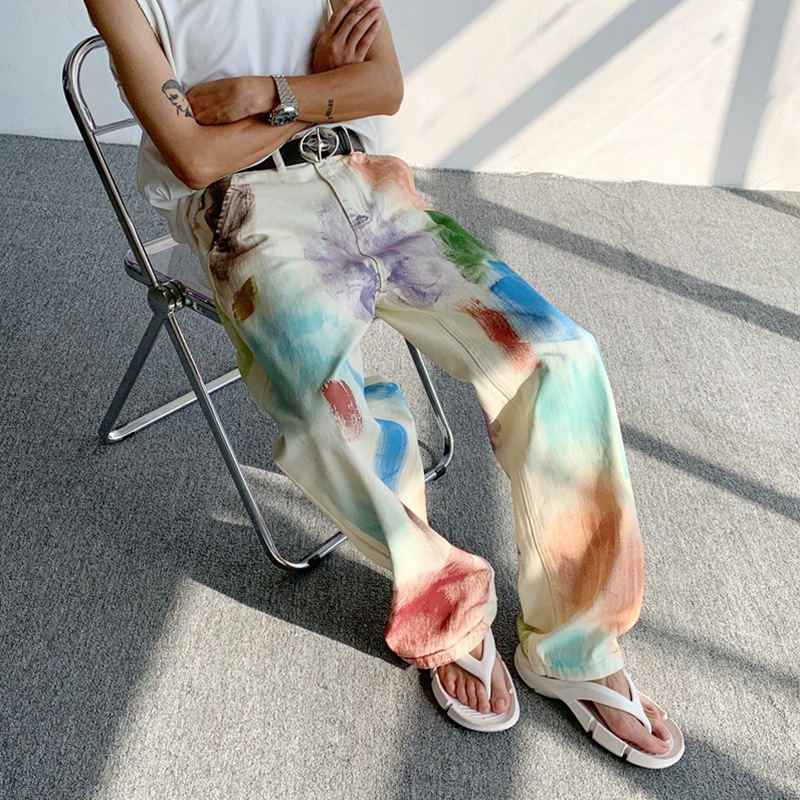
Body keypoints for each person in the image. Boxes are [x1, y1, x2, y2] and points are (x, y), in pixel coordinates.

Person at [85, 0, 684, 767]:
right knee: (328, 416)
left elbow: (384, 88)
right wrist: (316, 93)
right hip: (244, 208)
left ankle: (575, 646)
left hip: (370, 182)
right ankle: (448, 606)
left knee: (561, 354)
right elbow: (197, 158)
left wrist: (267, 94)